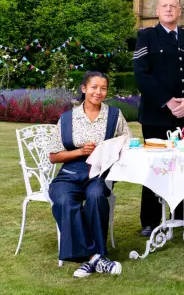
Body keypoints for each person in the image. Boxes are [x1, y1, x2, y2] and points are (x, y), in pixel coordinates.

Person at [133, 0, 184, 237]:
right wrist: (167, 101)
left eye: (173, 6)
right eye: (164, 5)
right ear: (157, 9)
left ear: (179, 11)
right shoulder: (146, 36)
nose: (169, 9)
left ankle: (179, 215)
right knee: (155, 167)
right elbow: (142, 74)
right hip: (156, 115)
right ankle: (150, 220)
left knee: (183, 167)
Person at [48, 71, 131, 278]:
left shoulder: (114, 115)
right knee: (65, 200)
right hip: (69, 173)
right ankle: (96, 257)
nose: (98, 92)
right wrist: (80, 151)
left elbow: (128, 143)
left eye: (103, 88)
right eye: (94, 87)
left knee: (95, 196)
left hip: (99, 174)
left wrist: (112, 151)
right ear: (84, 89)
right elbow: (53, 156)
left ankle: (89, 258)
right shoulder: (67, 119)